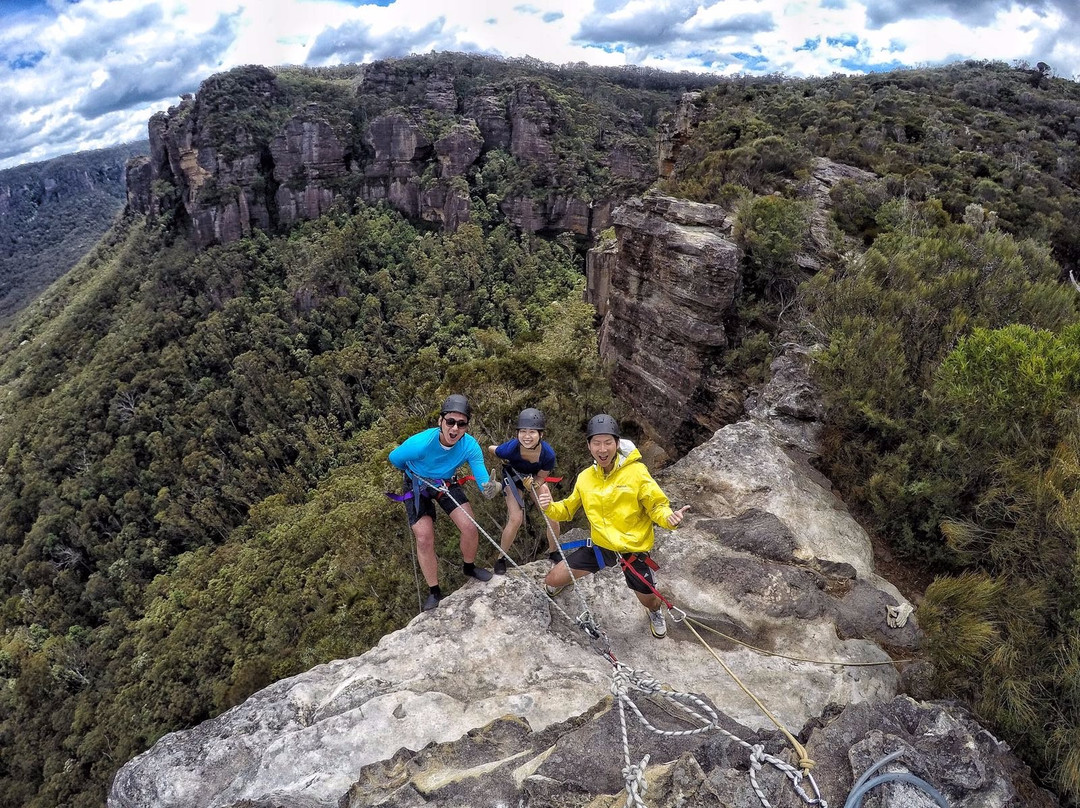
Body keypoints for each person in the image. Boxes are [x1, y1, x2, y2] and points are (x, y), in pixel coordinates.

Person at [537, 414, 690, 639]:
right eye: (596, 443)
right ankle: (559, 583)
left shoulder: (636, 473)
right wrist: (550, 507)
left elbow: (656, 505)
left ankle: (655, 612)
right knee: (551, 580)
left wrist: (668, 518)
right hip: (601, 546)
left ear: (617, 444)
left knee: (650, 599)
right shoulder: (586, 478)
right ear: (589, 446)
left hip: (632, 550)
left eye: (608, 442)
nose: (602, 448)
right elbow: (567, 510)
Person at [389, 394, 502, 611]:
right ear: (440, 421)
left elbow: (483, 482)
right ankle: (434, 591)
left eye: (461, 424)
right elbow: (395, 458)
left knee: (469, 526)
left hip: (445, 483)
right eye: (450, 421)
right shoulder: (421, 444)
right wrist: (414, 473)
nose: (455, 428)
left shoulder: (470, 447)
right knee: (424, 538)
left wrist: (491, 488)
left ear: (466, 427)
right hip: (417, 484)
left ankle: (469, 568)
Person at [487, 407, 561, 575]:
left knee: (553, 515)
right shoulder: (510, 449)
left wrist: (534, 484)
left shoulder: (548, 454)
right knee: (516, 518)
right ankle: (501, 558)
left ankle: (553, 551)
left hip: (533, 479)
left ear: (541, 435)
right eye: (523, 431)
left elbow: (542, 476)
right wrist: (500, 456)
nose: (527, 436)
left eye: (532, 432)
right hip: (512, 478)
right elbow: (492, 449)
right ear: (517, 433)